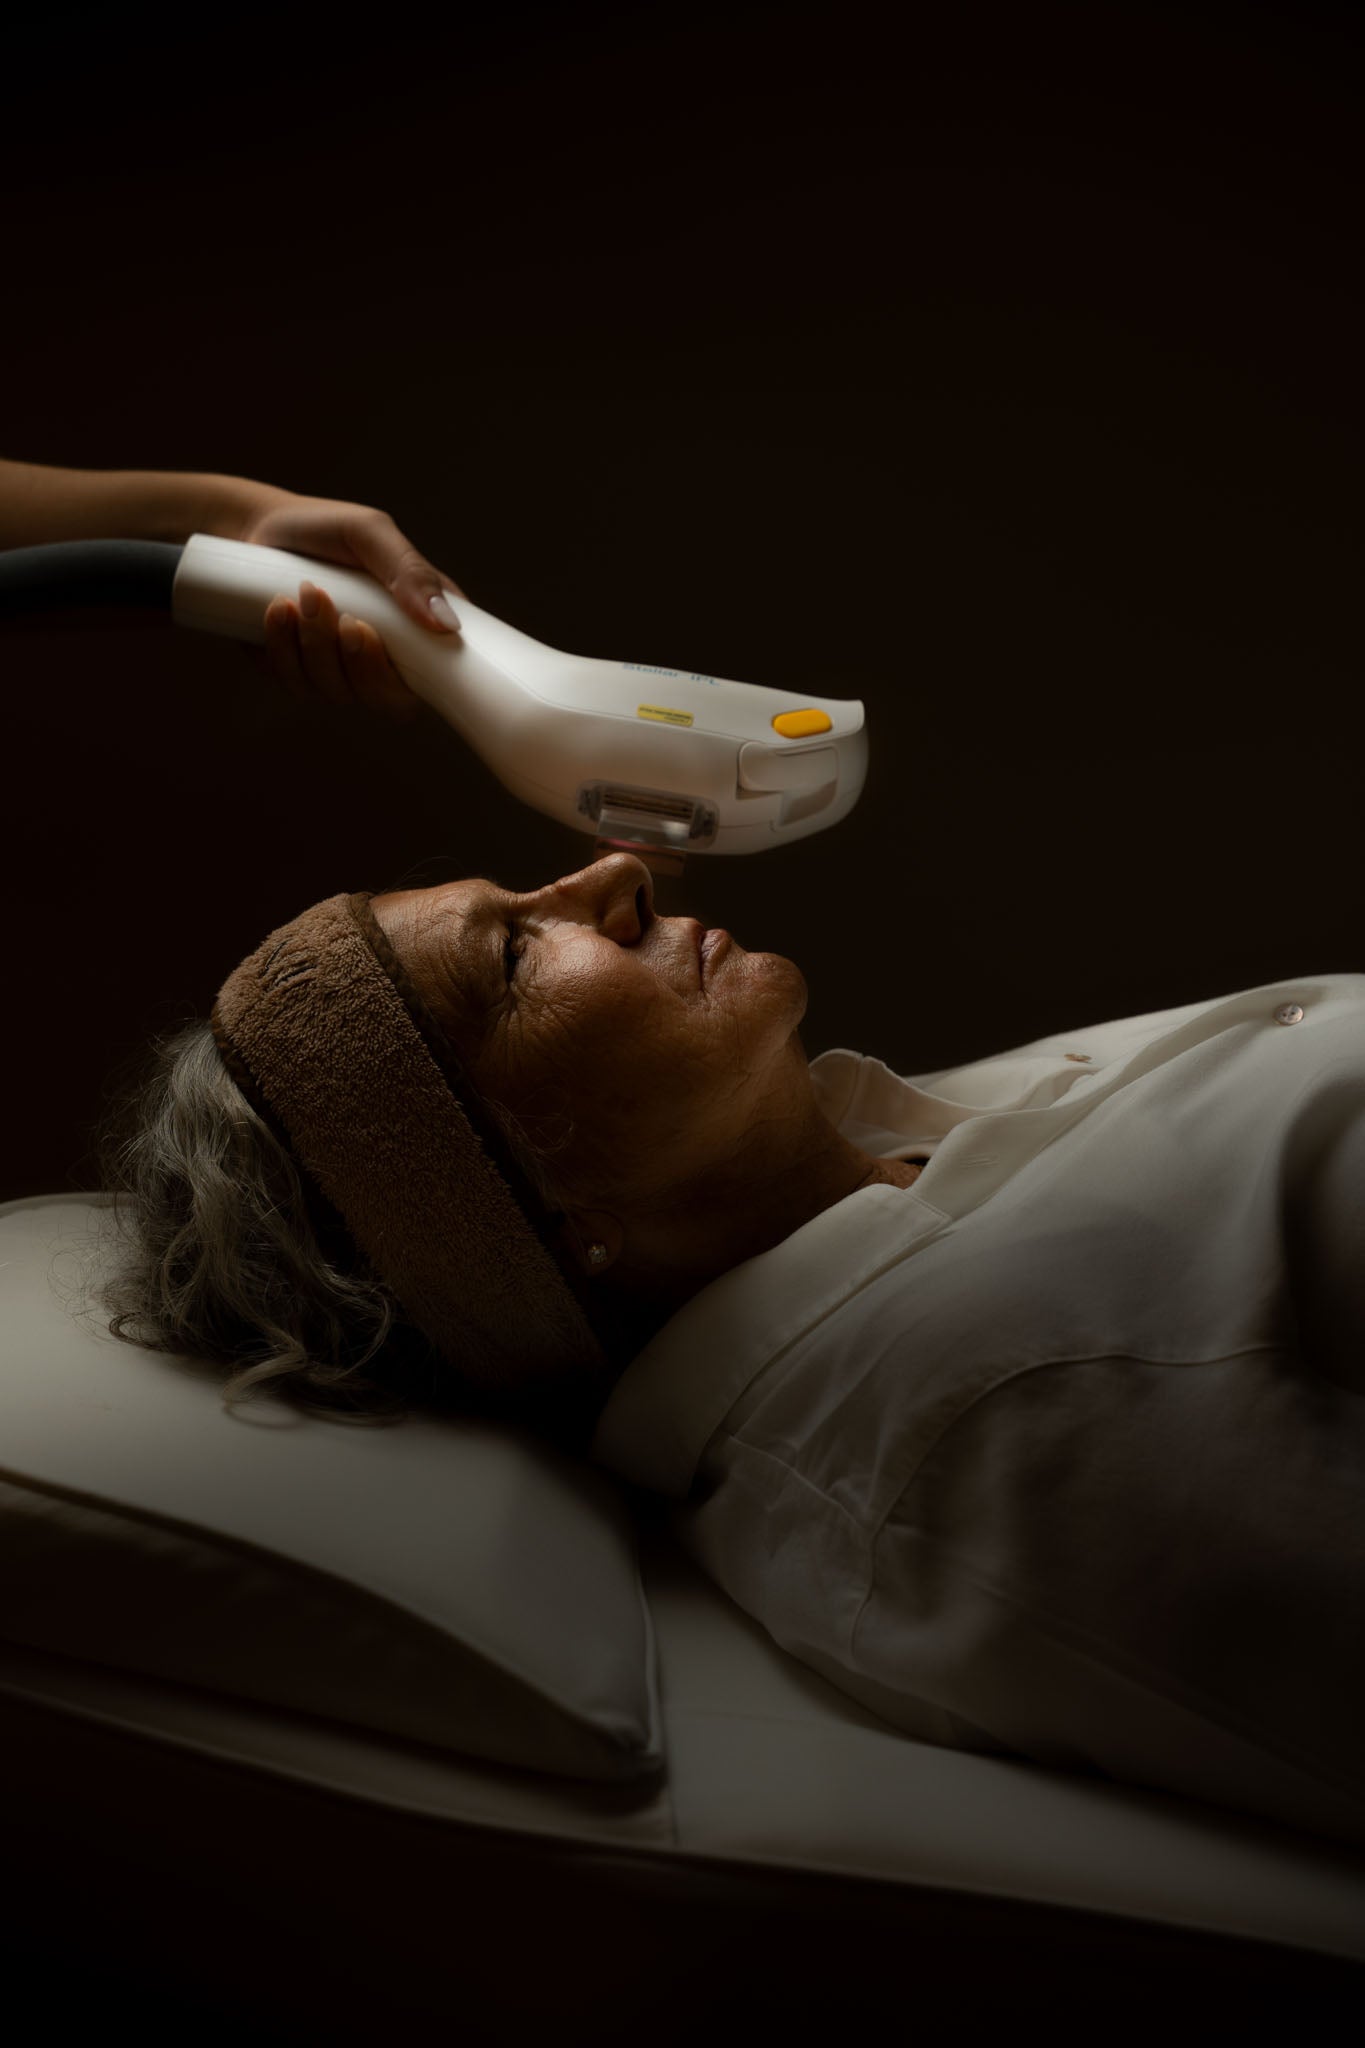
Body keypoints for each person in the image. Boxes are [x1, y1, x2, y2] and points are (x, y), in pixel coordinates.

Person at [5, 458, 1365, 1853]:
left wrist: (218, 528)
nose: (613, 872)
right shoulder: (992, 1439)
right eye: (516, 955)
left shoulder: (901, 1159)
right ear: (545, 1214)